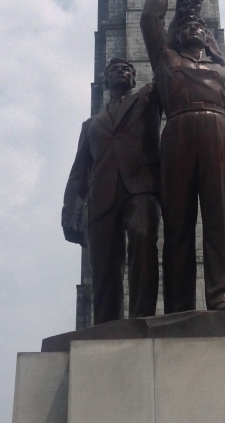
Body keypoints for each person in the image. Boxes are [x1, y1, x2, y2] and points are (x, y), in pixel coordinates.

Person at [140, 0, 225, 313]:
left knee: (220, 218)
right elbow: (150, 21)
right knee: (177, 220)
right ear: (177, 34)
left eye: (199, 27)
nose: (193, 29)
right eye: (186, 26)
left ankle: (223, 293)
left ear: (208, 38)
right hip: (178, 132)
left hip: (219, 135)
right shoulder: (166, 62)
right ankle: (178, 302)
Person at [62, 58, 161, 324]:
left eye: (127, 69)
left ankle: (143, 317)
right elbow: (79, 170)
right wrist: (69, 212)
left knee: (143, 241)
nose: (121, 72)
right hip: (101, 195)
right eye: (114, 70)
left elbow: (164, 68)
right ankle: (107, 325)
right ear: (105, 81)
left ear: (134, 78)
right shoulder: (91, 124)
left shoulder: (147, 99)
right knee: (103, 262)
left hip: (140, 187)